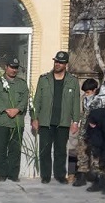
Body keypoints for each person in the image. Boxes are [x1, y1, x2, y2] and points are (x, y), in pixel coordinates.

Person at [31, 51, 80, 184]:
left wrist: (75, 121)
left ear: (66, 64)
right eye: (56, 61)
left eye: (61, 62)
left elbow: (76, 102)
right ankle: (45, 175)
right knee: (45, 150)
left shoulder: (73, 81)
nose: (57, 64)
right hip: (46, 122)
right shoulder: (44, 79)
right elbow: (37, 100)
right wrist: (34, 117)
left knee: (61, 151)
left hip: (63, 122)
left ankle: (60, 175)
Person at [0, 58, 29, 183]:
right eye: (11, 67)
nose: (14, 70)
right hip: (1, 121)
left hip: (17, 121)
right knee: (1, 149)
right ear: (6, 67)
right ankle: (2, 174)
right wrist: (6, 109)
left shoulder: (22, 84)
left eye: (16, 67)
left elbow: (25, 99)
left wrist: (17, 109)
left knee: (15, 149)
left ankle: (13, 174)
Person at [72, 77, 99, 187]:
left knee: (95, 153)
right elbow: (82, 113)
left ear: (95, 90)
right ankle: (82, 175)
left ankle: (96, 175)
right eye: (85, 92)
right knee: (81, 151)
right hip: (84, 128)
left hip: (95, 130)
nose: (86, 94)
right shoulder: (84, 99)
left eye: (88, 92)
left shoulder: (100, 100)